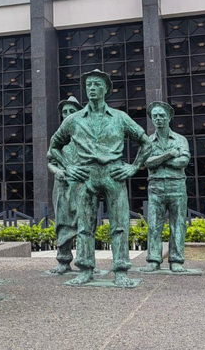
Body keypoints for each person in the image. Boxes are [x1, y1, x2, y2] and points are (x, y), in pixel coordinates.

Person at [48, 69, 151, 287]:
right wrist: (69, 167)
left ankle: (121, 270)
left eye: (97, 84)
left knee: (120, 225)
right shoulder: (74, 120)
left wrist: (133, 168)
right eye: (89, 85)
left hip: (113, 174)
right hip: (86, 175)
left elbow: (146, 142)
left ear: (106, 89)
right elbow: (54, 146)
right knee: (85, 225)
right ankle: (85, 269)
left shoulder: (120, 117)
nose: (92, 88)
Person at [138, 101, 191, 273]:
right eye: (155, 116)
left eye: (162, 115)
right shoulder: (147, 141)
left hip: (177, 186)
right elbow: (147, 162)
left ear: (169, 117)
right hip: (156, 187)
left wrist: (159, 160)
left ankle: (176, 260)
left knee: (178, 224)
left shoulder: (180, 140)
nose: (158, 118)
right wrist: (169, 154)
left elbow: (183, 161)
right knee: (154, 224)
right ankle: (154, 259)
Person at [46, 96, 84, 274]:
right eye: (65, 112)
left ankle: (86, 262)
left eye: (71, 111)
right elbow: (50, 161)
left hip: (82, 184)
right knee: (62, 222)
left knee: (85, 223)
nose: (68, 114)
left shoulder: (86, 135)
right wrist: (57, 171)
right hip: (62, 185)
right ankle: (63, 259)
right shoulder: (59, 138)